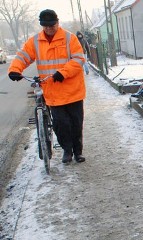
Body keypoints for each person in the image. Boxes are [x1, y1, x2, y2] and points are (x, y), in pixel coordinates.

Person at [8, 9, 87, 164]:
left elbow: (79, 59)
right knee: (60, 124)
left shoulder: (69, 38)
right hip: (52, 92)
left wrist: (63, 72)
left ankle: (78, 152)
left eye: (52, 25)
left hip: (73, 90)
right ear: (42, 26)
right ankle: (67, 151)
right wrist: (15, 70)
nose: (49, 28)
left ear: (57, 23)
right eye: (46, 26)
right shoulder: (35, 41)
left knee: (75, 123)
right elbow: (23, 56)